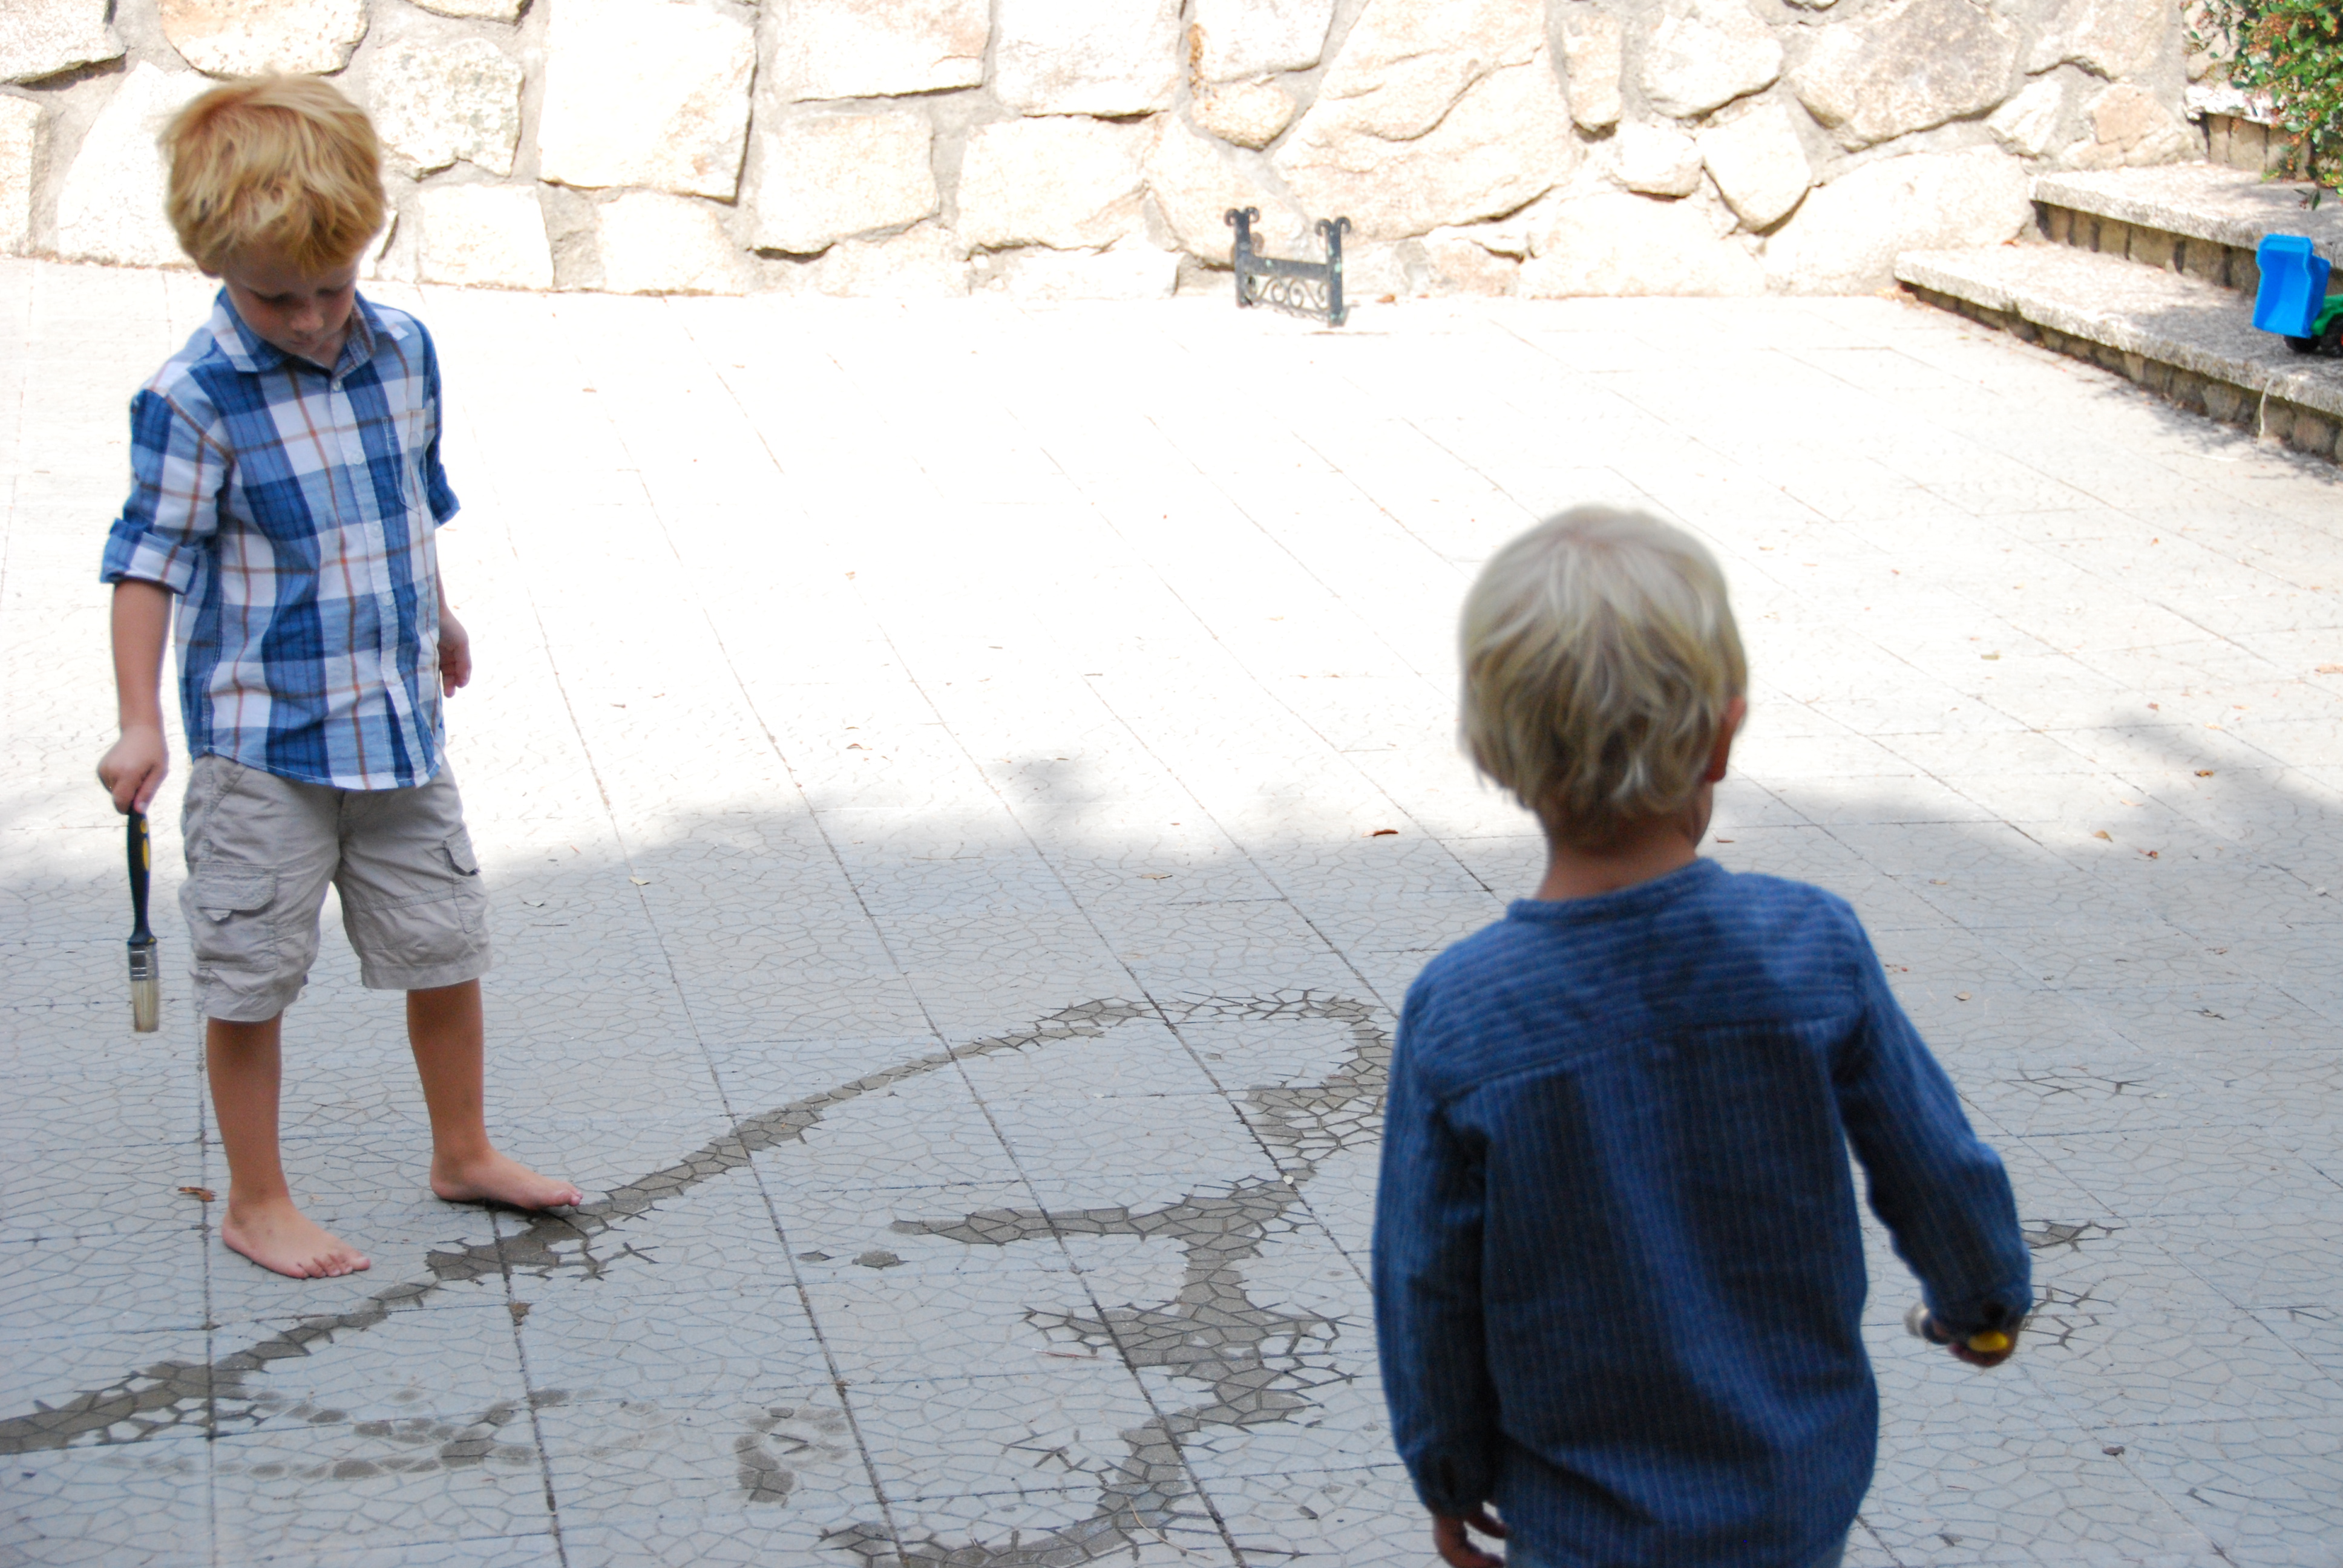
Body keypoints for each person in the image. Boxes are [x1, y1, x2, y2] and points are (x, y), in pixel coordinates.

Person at [1372, 508, 2031, 1568]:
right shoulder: (1811, 948)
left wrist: (1446, 1465)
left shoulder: (1463, 1010)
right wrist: (1980, 1298)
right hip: (1794, 1489)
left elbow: (1427, 1277)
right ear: (1723, 735)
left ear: (1493, 751)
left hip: (1579, 1511)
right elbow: (1935, 1162)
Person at [94, 75, 581, 1281]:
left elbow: (408, 501)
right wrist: (140, 722)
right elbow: (147, 563)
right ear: (214, 261)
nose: (314, 317)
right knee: (251, 974)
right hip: (264, 748)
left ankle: (462, 1150)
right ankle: (257, 1200)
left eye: (334, 285)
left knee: (445, 946)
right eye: (279, 297)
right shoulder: (191, 398)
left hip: (398, 728)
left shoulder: (402, 350)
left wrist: (439, 614)